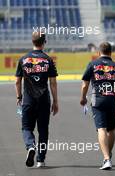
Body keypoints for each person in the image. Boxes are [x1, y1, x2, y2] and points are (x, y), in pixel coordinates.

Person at [15, 31, 58, 168]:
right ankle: (40, 160)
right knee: (43, 129)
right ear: (44, 42)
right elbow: (53, 83)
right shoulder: (48, 60)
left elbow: (17, 81)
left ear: (32, 41)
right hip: (44, 99)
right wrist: (56, 101)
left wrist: (19, 97)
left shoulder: (23, 59)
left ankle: (30, 146)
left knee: (27, 127)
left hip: (28, 99)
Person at [80, 42, 115, 170]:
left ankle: (106, 159)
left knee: (101, 129)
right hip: (112, 100)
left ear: (99, 53)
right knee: (111, 130)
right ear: (111, 52)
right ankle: (108, 155)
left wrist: (83, 98)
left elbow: (84, 84)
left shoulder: (92, 64)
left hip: (98, 100)